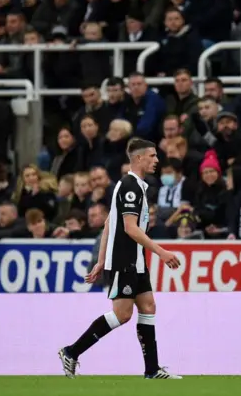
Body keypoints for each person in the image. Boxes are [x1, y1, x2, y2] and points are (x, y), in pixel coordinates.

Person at [59, 138, 182, 380]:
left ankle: (152, 370)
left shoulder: (135, 186)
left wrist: (100, 260)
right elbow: (129, 228)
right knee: (122, 314)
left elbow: (108, 223)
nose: (157, 160)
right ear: (138, 158)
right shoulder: (129, 186)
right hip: (125, 259)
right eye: (152, 156)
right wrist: (161, 251)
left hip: (135, 260)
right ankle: (71, 352)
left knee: (148, 307)